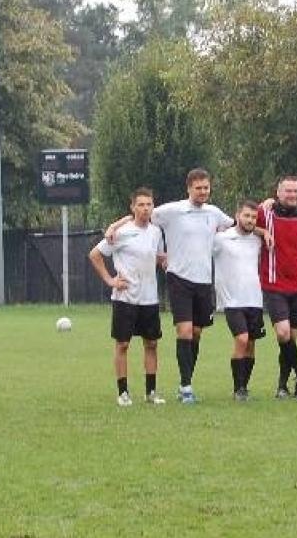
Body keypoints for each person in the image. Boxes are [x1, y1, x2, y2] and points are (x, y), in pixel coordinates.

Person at [113, 168, 233, 404]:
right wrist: (116, 225)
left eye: (206, 188)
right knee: (185, 331)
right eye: (198, 188)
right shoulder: (173, 210)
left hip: (203, 281)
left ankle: (184, 382)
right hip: (179, 278)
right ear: (188, 188)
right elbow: (142, 214)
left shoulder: (214, 213)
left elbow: (238, 226)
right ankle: (186, 387)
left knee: (196, 333)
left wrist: (263, 218)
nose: (202, 192)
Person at [88, 187, 167, 407]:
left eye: (148, 204)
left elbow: (158, 257)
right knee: (123, 345)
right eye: (140, 204)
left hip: (149, 298)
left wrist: (166, 260)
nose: (145, 209)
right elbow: (95, 255)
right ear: (133, 207)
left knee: (151, 344)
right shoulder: (121, 232)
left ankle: (151, 392)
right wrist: (110, 280)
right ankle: (123, 393)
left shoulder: (156, 232)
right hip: (125, 298)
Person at [257, 175, 297, 398]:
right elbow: (244, 222)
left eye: (295, 191)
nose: (292, 195)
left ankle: (285, 385)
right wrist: (262, 231)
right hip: (274, 283)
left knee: (291, 337)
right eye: (287, 191)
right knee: (283, 334)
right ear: (278, 193)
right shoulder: (265, 212)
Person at [213, 200, 267, 400]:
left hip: (254, 299)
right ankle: (238, 389)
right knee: (242, 339)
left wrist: (264, 232)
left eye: (253, 217)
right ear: (237, 216)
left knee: (251, 344)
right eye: (246, 216)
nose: (250, 220)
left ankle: (244, 386)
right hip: (232, 301)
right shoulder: (221, 239)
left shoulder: (257, 240)